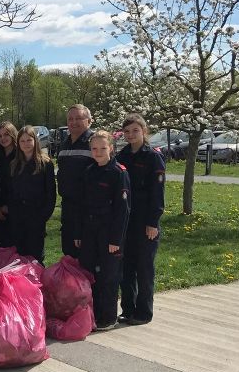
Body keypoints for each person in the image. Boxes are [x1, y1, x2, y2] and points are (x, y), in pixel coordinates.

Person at [75, 130, 131, 331]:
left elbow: (122, 210)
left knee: (108, 276)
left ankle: (108, 317)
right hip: (90, 231)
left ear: (111, 149)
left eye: (103, 148)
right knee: (90, 273)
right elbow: (82, 206)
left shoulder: (119, 172)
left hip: (109, 233)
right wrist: (79, 234)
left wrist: (116, 239)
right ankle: (93, 315)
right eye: (94, 148)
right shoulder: (89, 172)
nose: (98, 152)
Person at [116, 113, 165, 325]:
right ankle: (128, 309)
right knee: (126, 268)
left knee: (144, 269)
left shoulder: (153, 157)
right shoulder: (122, 156)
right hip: (127, 221)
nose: (131, 135)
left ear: (144, 131)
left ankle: (144, 312)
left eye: (135, 130)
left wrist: (153, 222)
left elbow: (157, 193)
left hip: (146, 221)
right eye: (127, 131)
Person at [6, 125, 57, 264]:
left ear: (35, 141)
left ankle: (37, 283)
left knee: (36, 256)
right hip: (18, 216)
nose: (26, 144)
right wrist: (13, 212)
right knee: (20, 254)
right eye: (22, 141)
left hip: (37, 215)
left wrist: (43, 216)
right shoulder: (14, 164)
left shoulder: (45, 163)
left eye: (29, 140)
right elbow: (11, 192)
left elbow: (51, 193)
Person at [57, 104, 95, 257]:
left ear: (89, 121)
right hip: (68, 208)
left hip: (88, 209)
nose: (74, 122)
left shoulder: (94, 143)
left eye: (79, 118)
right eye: (70, 119)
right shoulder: (65, 144)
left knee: (86, 256)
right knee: (69, 253)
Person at [0, 121, 18, 247]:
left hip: (17, 209)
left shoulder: (20, 156)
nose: (3, 138)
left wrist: (9, 207)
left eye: (6, 134)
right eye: (0, 136)